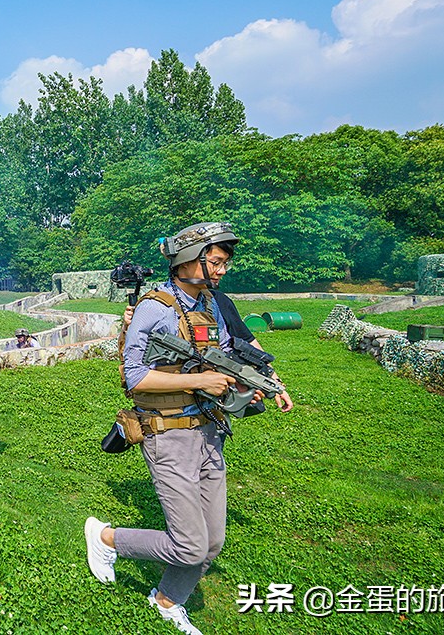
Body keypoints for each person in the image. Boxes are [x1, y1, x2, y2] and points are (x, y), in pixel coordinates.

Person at [84, 222, 293, 635]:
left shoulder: (212, 305)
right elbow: (134, 377)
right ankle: (107, 539)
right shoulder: (155, 307)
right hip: (168, 435)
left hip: (209, 431)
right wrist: (200, 381)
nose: (222, 269)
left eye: (225, 262)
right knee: (189, 545)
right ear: (186, 259)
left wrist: (266, 386)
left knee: (211, 543)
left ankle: (166, 599)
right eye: (214, 261)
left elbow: (231, 353)